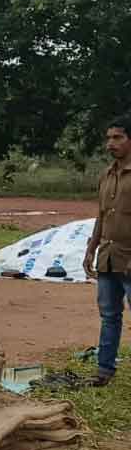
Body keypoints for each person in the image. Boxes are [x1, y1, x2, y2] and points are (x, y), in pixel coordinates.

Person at [83, 116, 131, 387]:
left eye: (118, 137)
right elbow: (101, 216)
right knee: (109, 315)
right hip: (108, 258)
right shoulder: (107, 175)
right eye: (108, 138)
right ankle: (104, 369)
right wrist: (91, 249)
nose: (110, 144)